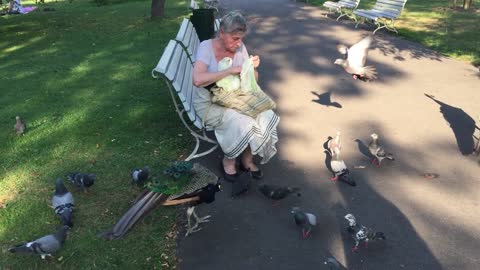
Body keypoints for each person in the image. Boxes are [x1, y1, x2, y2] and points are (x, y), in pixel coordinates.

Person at [192, 11, 280, 181]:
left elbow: (254, 81)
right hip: (209, 103)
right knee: (242, 120)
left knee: (264, 113)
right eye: (234, 38)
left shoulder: (240, 47)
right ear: (221, 33)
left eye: (241, 38)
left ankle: (247, 160)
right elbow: (197, 79)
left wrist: (251, 69)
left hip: (235, 98)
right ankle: (229, 160)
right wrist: (230, 71)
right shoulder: (206, 47)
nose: (238, 43)